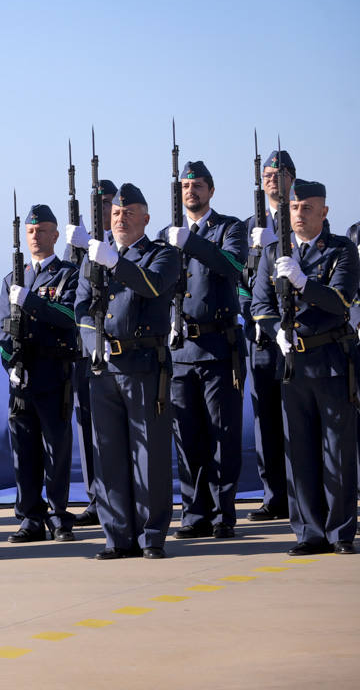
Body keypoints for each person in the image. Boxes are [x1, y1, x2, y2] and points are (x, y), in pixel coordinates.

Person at [70, 183, 180, 559]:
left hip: (144, 367)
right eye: (116, 213)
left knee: (149, 455)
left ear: (146, 219)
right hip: (103, 368)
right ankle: (117, 536)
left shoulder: (161, 255)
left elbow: (152, 286)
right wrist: (91, 342)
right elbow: (81, 308)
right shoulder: (93, 260)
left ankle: (151, 536)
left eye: (129, 213)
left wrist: (115, 263)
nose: (121, 218)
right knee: (109, 455)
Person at [251, 178, 358, 556]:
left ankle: (340, 532)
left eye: (308, 207)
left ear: (324, 212)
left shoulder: (341, 250)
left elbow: (341, 300)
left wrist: (302, 282)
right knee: (299, 452)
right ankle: (309, 532)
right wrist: (272, 331)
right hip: (292, 363)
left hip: (330, 360)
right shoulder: (273, 253)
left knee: (337, 452)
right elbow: (259, 305)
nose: (299, 214)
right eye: (294, 207)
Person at [158, 161, 247, 539]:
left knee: (222, 435)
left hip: (217, 348)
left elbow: (232, 264)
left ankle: (222, 514)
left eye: (197, 185)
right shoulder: (166, 234)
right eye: (184, 186)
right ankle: (193, 512)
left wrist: (190, 242)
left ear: (211, 191)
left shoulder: (230, 228)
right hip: (180, 351)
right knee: (188, 437)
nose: (190, 192)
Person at [0, 204, 79, 543]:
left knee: (56, 449)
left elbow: (70, 316)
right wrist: (10, 365)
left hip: (53, 373)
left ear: (55, 235)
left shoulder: (67, 274)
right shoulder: (11, 279)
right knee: (24, 450)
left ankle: (59, 515)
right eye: (31, 231)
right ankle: (30, 516)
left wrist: (31, 302)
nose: (35, 236)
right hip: (22, 377)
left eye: (42, 230)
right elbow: (3, 330)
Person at [241, 150, 296, 522]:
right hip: (259, 334)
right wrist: (255, 248)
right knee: (265, 417)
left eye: (278, 173)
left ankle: (300, 493)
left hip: (293, 332)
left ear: (292, 177)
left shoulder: (300, 217)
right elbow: (239, 280)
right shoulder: (248, 226)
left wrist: (277, 238)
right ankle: (273, 494)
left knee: (296, 416)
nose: (271, 179)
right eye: (266, 174)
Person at [66, 178, 118, 528]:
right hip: (86, 346)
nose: (101, 211)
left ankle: (121, 496)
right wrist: (79, 249)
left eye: (107, 205)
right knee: (87, 426)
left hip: (119, 346)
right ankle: (95, 497)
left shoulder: (122, 244)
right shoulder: (78, 243)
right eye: (96, 205)